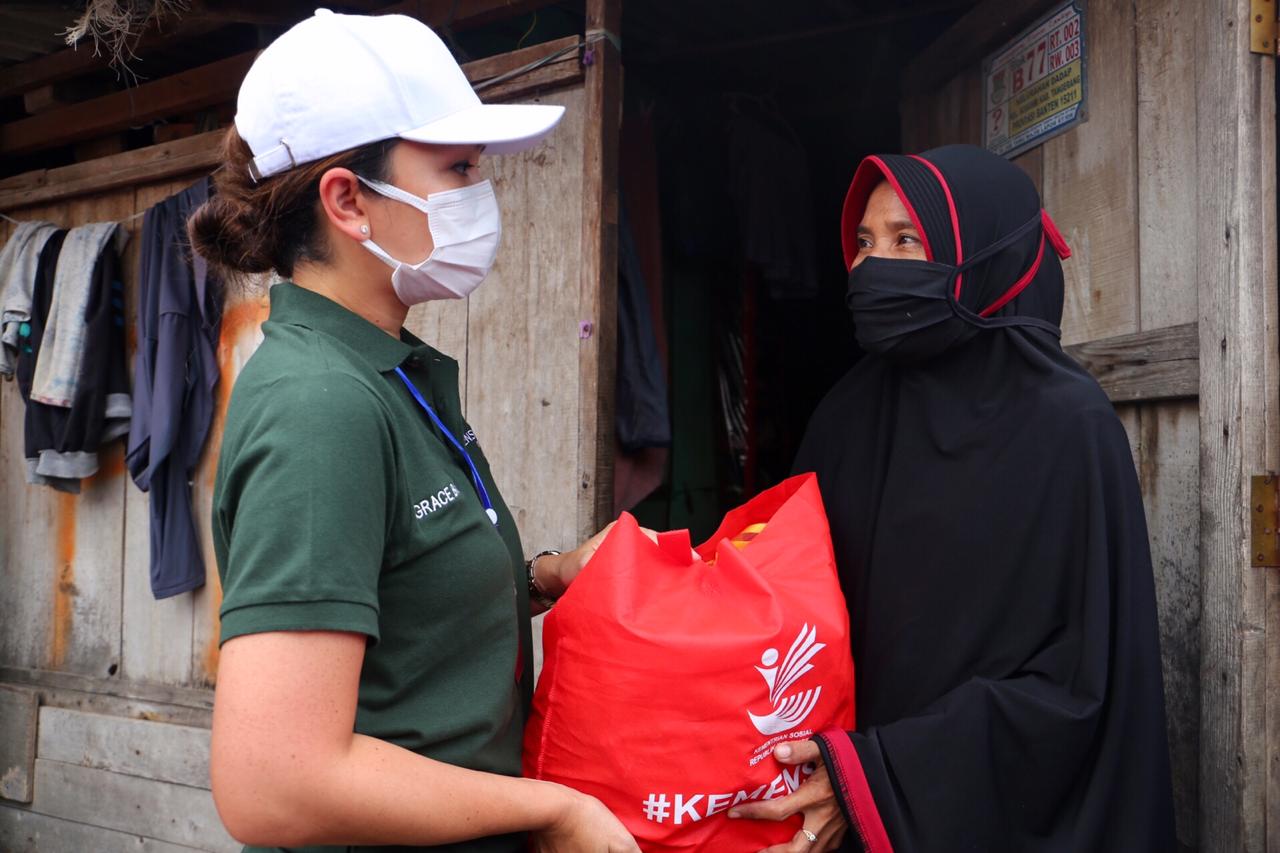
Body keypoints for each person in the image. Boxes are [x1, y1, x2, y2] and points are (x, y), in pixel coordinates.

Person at [190, 11, 640, 853]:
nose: (483, 190)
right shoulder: (320, 405)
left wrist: (544, 576)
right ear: (348, 201)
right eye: (460, 167)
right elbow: (274, 782)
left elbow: (401, 598)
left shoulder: (384, 369)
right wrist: (553, 807)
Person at [729, 145, 1176, 851]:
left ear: (989, 256)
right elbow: (787, 610)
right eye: (864, 244)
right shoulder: (846, 417)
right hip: (835, 804)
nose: (874, 267)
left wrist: (881, 774)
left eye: (907, 239)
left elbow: (1081, 684)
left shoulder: (1068, 425)